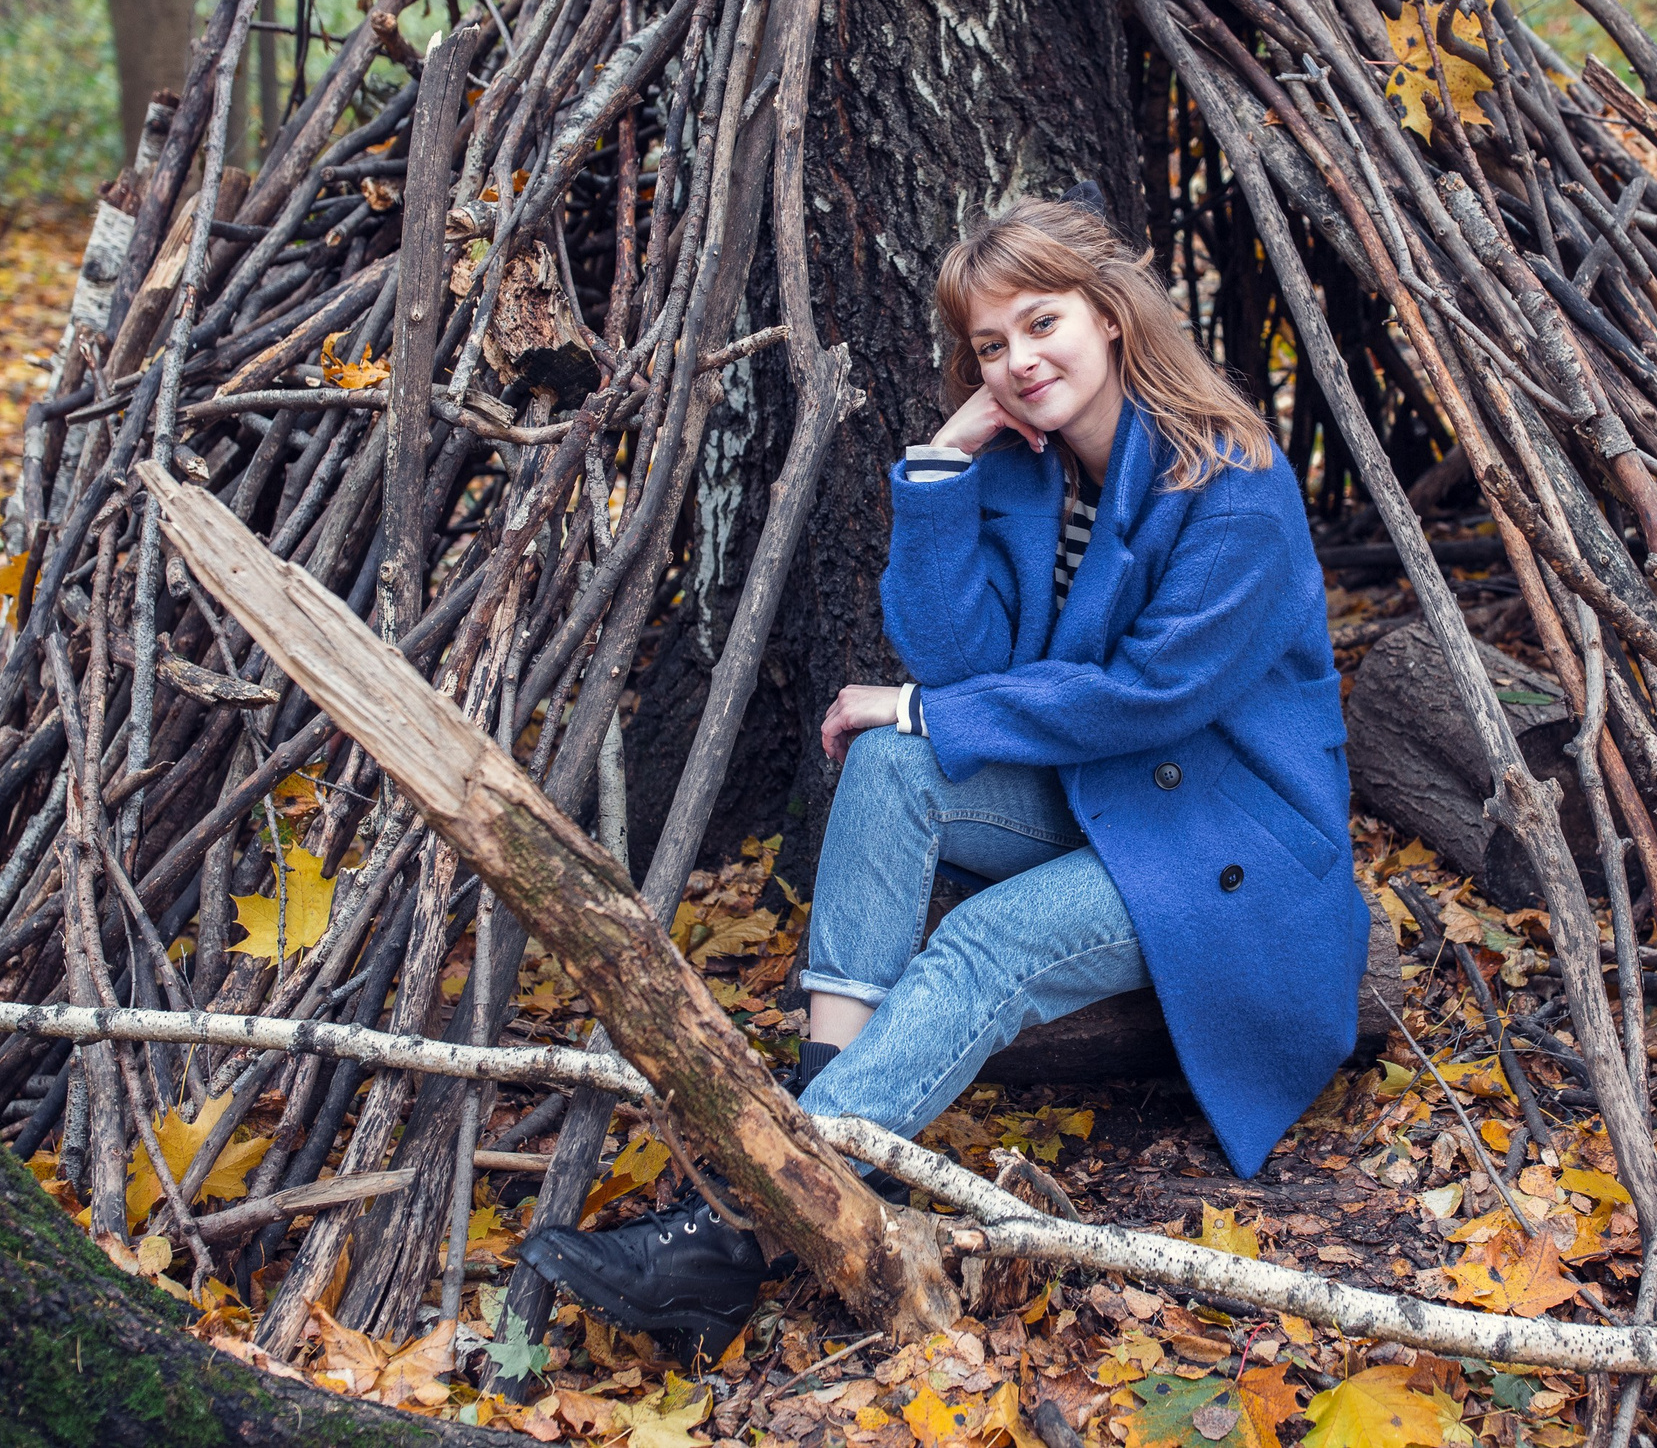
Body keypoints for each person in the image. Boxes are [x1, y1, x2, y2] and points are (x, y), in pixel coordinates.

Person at [523, 185, 1367, 1352]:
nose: (1020, 362)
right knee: (890, 762)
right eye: (989, 345)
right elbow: (957, 658)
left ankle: (747, 1227)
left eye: (1042, 323)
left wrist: (925, 701)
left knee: (984, 935)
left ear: (1110, 314)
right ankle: (828, 1119)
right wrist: (941, 460)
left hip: (1229, 846)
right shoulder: (1027, 470)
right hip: (1108, 805)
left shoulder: (1231, 481)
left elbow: (1148, 695)